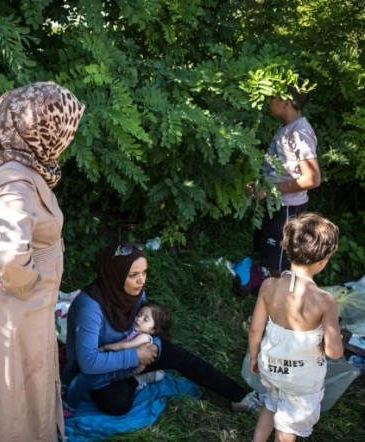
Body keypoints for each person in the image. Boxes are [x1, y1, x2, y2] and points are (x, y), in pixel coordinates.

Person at [0, 82, 86, 441]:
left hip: (10, 312)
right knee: (8, 417)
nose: (66, 139)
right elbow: (12, 259)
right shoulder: (14, 179)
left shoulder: (5, 159)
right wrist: (30, 286)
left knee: (13, 408)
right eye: (64, 129)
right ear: (40, 129)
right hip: (8, 315)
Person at [63, 242, 263, 416]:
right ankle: (137, 379)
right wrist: (136, 356)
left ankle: (240, 397)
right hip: (100, 367)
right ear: (114, 275)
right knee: (118, 403)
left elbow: (147, 326)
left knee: (179, 356)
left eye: (144, 272)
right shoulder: (89, 307)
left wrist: (154, 346)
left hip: (133, 351)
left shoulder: (133, 292)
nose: (142, 281)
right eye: (133, 275)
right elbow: (88, 362)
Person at [248, 213, 342, 442]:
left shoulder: (269, 285)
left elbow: (255, 329)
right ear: (323, 260)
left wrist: (253, 357)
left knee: (271, 404)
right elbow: (334, 352)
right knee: (288, 425)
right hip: (301, 380)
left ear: (287, 248)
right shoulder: (325, 301)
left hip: (271, 366)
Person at [248, 82, 321, 277]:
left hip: (287, 208)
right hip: (277, 204)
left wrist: (271, 190)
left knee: (280, 264)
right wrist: (262, 185)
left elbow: (312, 179)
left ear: (286, 103)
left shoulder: (299, 133)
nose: (268, 100)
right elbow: (284, 170)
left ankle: (281, 302)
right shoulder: (287, 128)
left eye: (273, 97)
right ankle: (273, 297)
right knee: (272, 258)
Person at [61, 301, 170, 416]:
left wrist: (105, 347)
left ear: (153, 330)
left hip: (116, 369)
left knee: (84, 379)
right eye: (139, 315)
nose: (139, 319)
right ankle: (63, 386)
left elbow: (124, 346)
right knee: (76, 362)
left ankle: (69, 406)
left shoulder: (144, 337)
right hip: (112, 359)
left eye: (145, 319)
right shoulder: (135, 330)